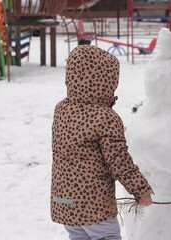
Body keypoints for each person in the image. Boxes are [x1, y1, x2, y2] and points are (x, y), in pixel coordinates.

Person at [50, 45, 153, 240]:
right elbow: (119, 161)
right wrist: (140, 190)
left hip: (64, 202)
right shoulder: (105, 118)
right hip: (93, 205)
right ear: (106, 81)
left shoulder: (61, 109)